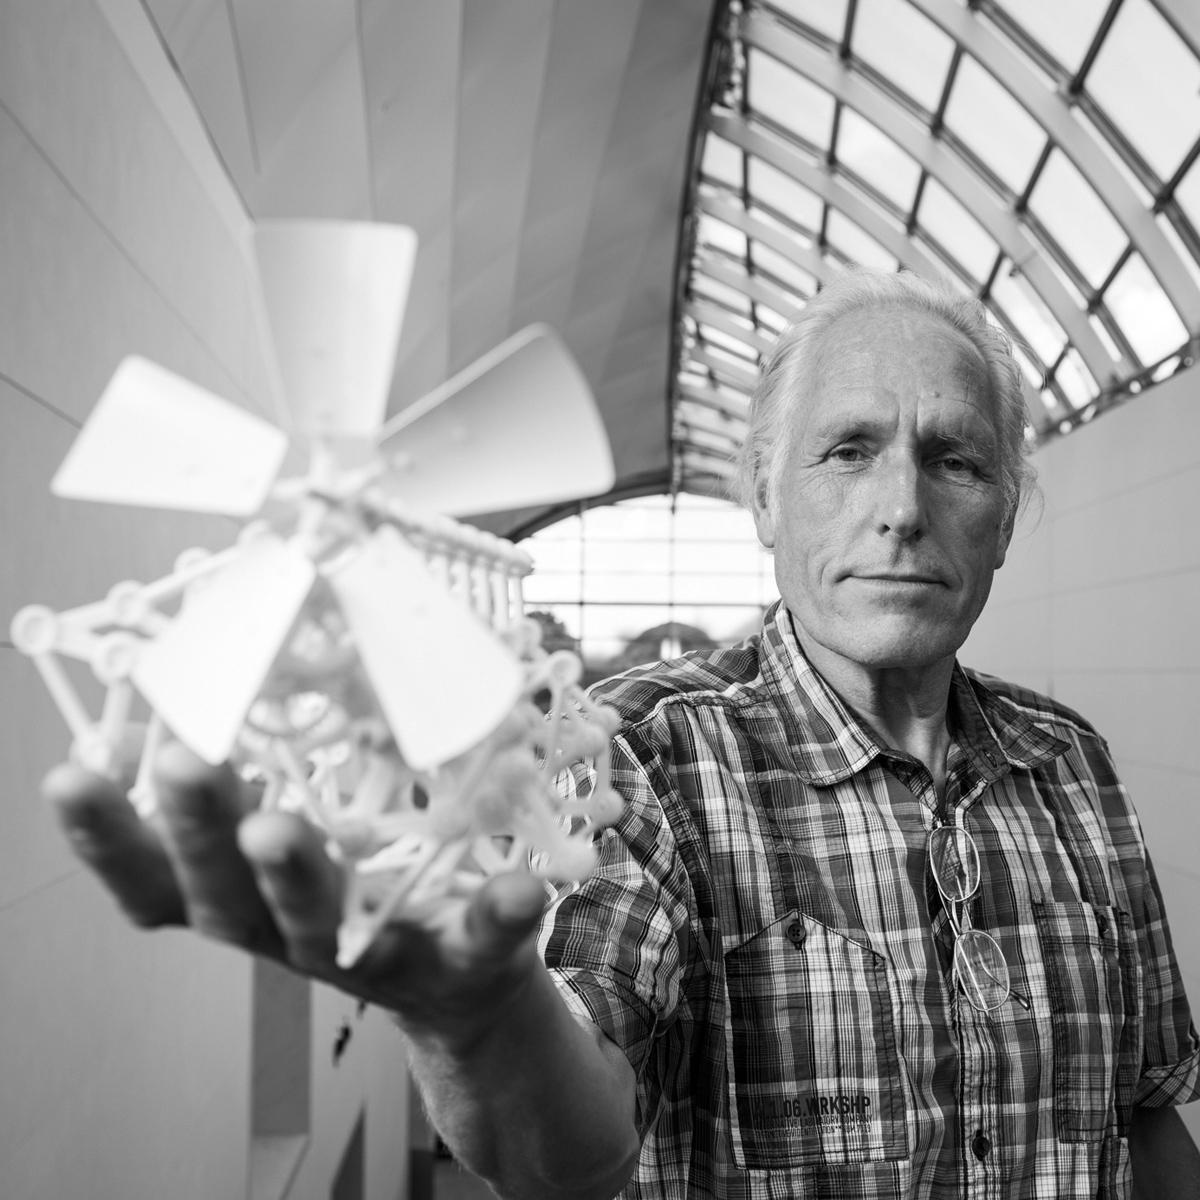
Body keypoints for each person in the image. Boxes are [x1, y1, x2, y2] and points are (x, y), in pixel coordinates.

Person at [46, 269, 1200, 1199]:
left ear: (1005, 521)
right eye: (848, 449)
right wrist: (474, 1016)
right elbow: (573, 1153)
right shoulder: (650, 755)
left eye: (956, 459)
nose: (902, 506)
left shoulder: (1071, 765)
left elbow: (1145, 1117)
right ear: (764, 498)